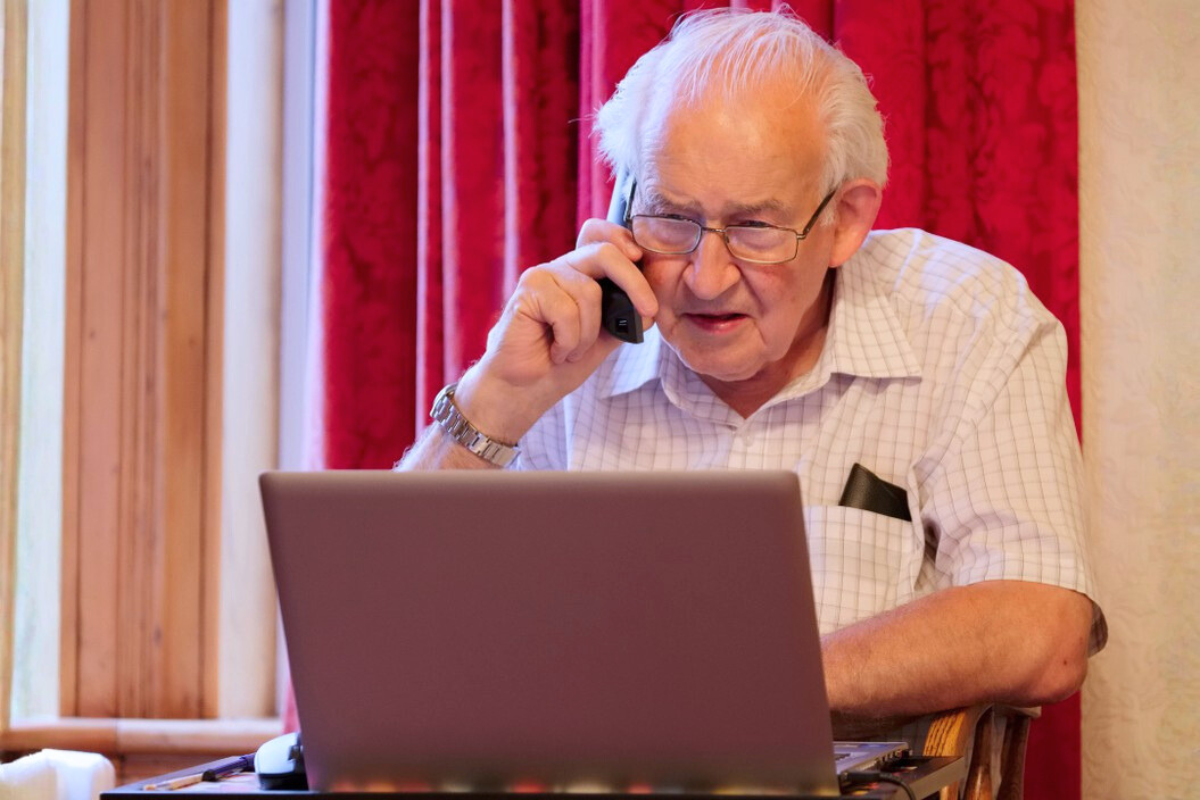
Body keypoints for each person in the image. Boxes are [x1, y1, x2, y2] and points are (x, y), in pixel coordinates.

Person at [399, 8, 1105, 733]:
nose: (706, 278)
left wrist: (754, 680)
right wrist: (500, 398)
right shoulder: (573, 334)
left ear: (847, 221)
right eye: (671, 217)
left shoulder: (964, 315)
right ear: (622, 206)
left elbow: (1041, 627)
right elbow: (387, 627)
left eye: (754, 229)